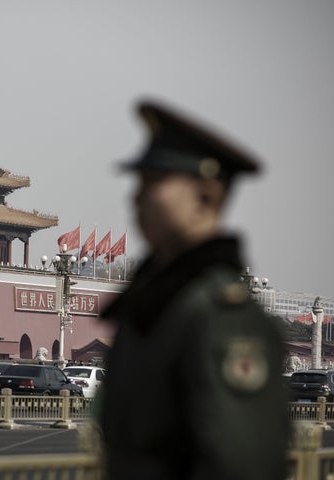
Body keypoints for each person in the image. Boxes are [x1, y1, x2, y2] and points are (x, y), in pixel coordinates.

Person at [96, 99, 289, 479]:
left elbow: (240, 464)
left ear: (205, 196)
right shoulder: (155, 305)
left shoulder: (221, 316)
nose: (135, 196)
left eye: (154, 182)